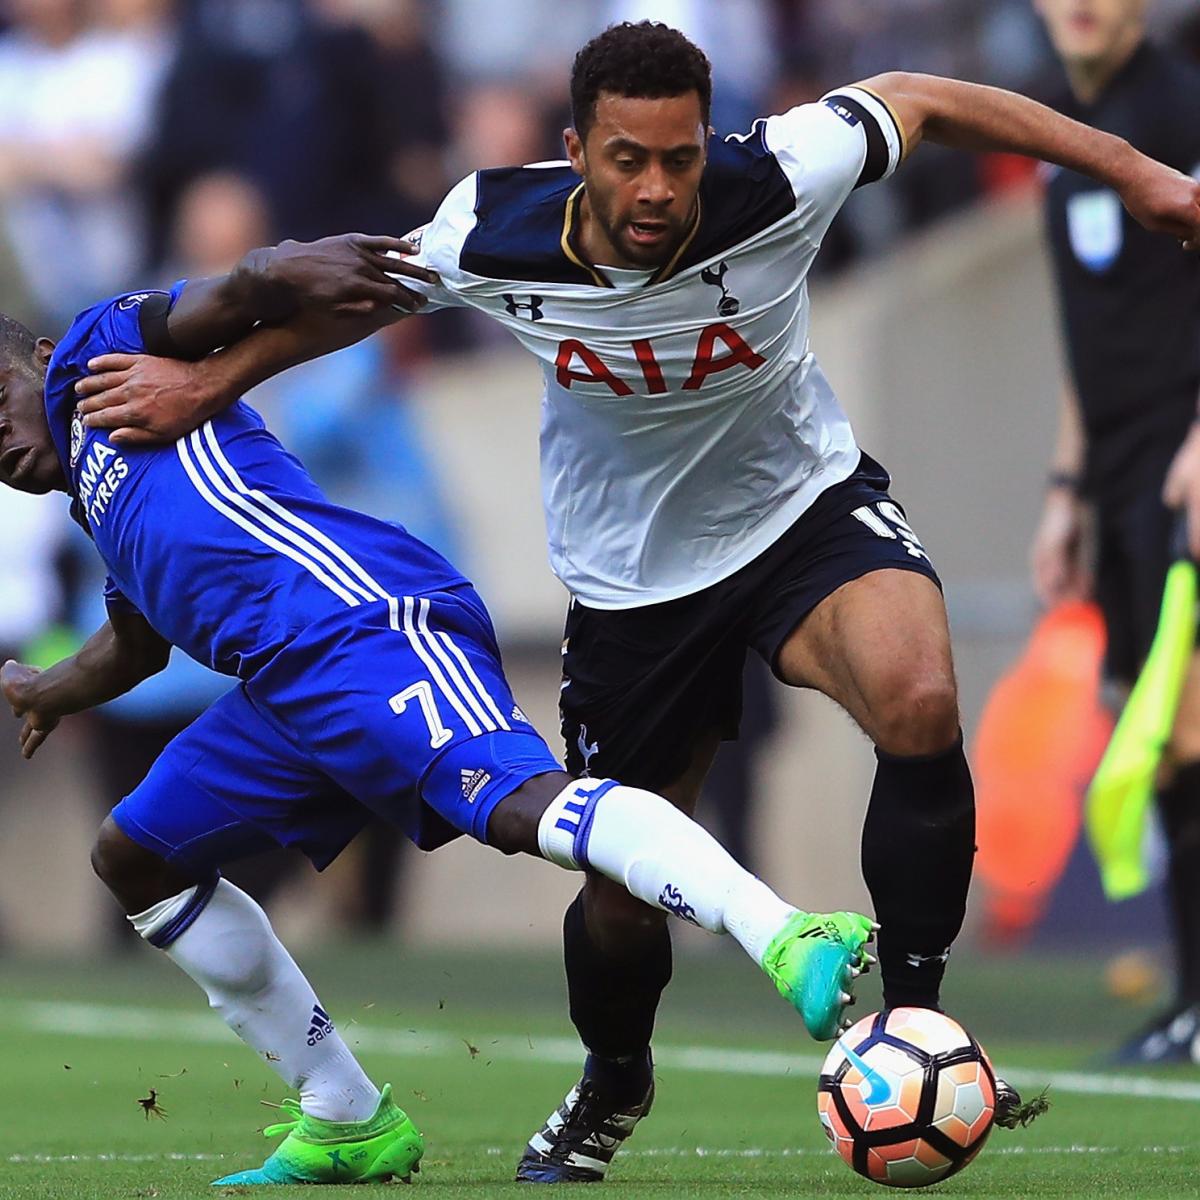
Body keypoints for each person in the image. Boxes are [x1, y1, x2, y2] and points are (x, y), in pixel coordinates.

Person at [73, 21, 1200, 1182]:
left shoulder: (782, 171)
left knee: (918, 696)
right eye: (627, 160)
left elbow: (931, 96)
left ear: (707, 141)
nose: (657, 188)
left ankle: (912, 1027)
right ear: (578, 150)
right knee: (622, 898)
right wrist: (206, 378)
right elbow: (352, 303)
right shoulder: (492, 226)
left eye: (679, 157)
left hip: (799, 512)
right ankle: (614, 1079)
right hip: (633, 584)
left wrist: (1145, 175)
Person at [0, 232, 875, 1186]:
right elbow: (136, 641)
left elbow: (233, 294)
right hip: (282, 689)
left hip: (363, 623)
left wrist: (297, 264)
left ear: (37, 359)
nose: (2, 445)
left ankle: (785, 930)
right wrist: (48, 689)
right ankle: (344, 1114)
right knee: (135, 854)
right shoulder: (102, 503)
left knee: (519, 805)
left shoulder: (96, 350)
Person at [1031, 0, 1200, 1065]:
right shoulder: (1050, 130)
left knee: (1190, 731)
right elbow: (1087, 331)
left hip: (1189, 462)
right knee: (1168, 754)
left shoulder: (1181, 108)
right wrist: (1066, 486)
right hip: (1124, 472)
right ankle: (1190, 1002)